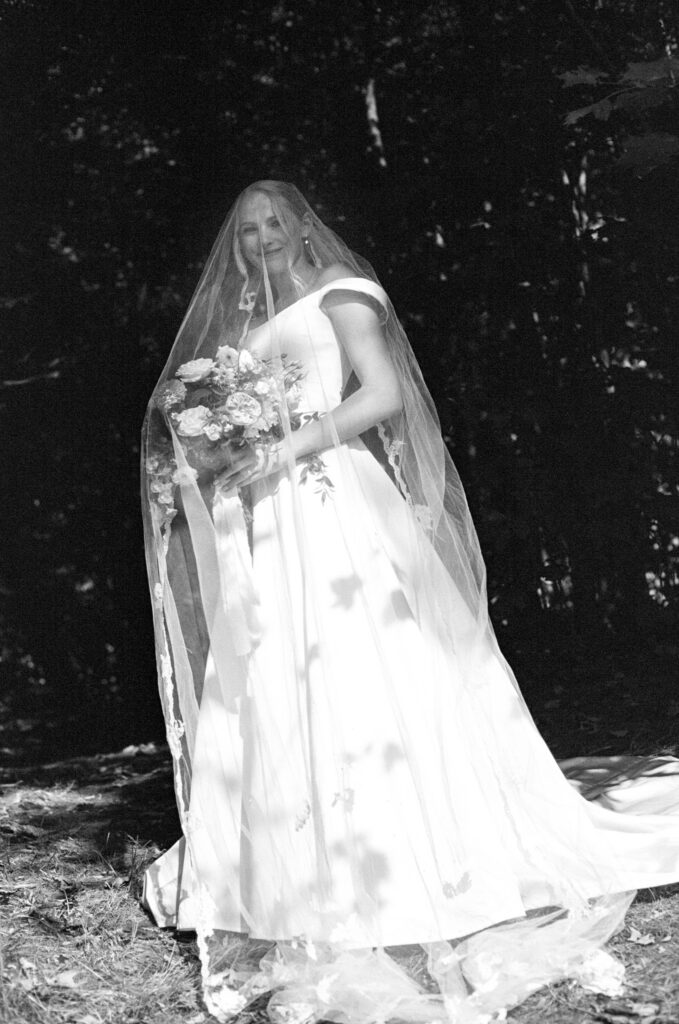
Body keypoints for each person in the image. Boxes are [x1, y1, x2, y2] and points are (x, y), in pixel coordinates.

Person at [140, 181, 679, 1024]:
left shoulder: (342, 297)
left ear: (304, 225)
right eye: (247, 231)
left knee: (365, 661)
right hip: (270, 520)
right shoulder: (241, 335)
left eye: (274, 223)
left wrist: (289, 446)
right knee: (279, 667)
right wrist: (209, 459)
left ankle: (401, 843)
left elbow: (382, 394)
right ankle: (290, 854)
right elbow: (235, 422)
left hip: (331, 506)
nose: (262, 239)